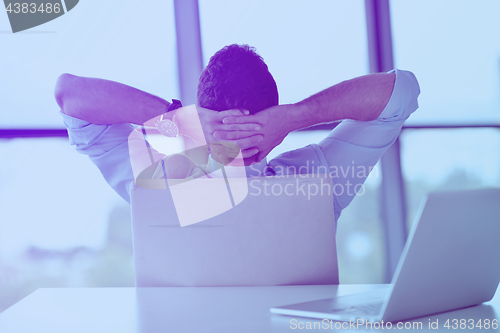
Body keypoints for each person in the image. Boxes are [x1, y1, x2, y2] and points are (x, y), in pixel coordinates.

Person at [55, 44, 420, 222]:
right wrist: (296, 117)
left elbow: (70, 98)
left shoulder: (154, 179)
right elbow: (69, 93)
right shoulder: (319, 177)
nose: (239, 153)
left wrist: (178, 120)